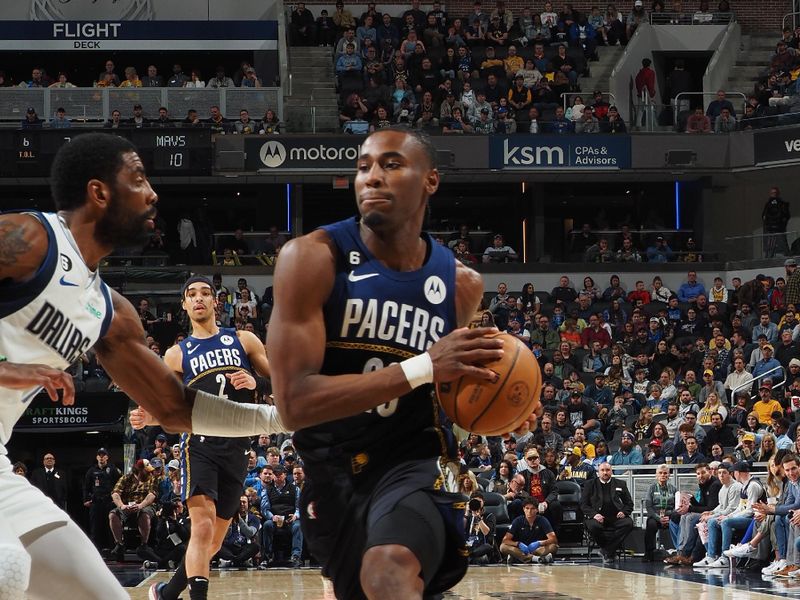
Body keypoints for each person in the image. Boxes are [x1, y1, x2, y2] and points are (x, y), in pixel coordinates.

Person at [0, 133, 280, 600]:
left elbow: (175, 410)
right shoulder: (29, 238)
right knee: (9, 570)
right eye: (139, 178)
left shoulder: (110, 311)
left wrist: (283, 417)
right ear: (100, 192)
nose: (153, 193)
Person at [262, 128, 527, 600]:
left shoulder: (461, 284)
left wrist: (496, 398)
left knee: (389, 571)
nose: (372, 178)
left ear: (430, 181)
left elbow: (446, 388)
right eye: (363, 167)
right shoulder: (312, 258)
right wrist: (424, 366)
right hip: (332, 475)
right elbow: (295, 404)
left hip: (411, 465)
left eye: (390, 164)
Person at [143, 275, 273, 600]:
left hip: (238, 445)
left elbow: (284, 378)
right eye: (191, 294)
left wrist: (256, 382)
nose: (198, 298)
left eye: (205, 293)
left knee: (213, 542)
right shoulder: (176, 353)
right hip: (198, 442)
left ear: (215, 301)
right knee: (201, 527)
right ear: (185, 305)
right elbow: (164, 402)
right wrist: (147, 414)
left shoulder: (244, 340)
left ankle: (167, 593)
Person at [581, 462, 635, 565]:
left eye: (607, 470)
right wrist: (594, 515)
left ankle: (606, 551)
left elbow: (629, 504)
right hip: (597, 517)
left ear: (611, 471)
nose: (605, 472)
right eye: (602, 470)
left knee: (628, 523)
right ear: (598, 472)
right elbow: (583, 505)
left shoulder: (620, 484)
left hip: (615, 517)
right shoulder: (590, 484)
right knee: (592, 526)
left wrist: (624, 512)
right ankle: (610, 552)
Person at [82, 447, 122, 551]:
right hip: (96, 502)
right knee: (95, 527)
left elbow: (120, 485)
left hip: (109, 502)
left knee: (110, 526)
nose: (101, 457)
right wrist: (86, 499)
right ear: (96, 457)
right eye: (99, 455)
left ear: (107, 457)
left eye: (103, 455)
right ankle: (96, 550)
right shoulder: (92, 471)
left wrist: (118, 500)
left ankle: (113, 549)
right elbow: (86, 486)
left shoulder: (113, 469)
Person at [499, 498, 558, 564]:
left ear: (537, 510)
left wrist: (539, 543)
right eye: (527, 508)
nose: (529, 511)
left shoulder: (543, 520)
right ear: (523, 509)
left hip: (537, 550)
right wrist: (518, 544)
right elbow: (505, 540)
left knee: (553, 546)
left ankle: (519, 558)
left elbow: (554, 539)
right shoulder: (517, 521)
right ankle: (536, 558)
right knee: (503, 547)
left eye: (532, 509)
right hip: (521, 550)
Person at [642, 464, 676, 562]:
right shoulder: (651, 488)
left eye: (665, 473)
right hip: (655, 515)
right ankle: (648, 553)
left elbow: (676, 506)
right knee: (651, 524)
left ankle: (680, 552)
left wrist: (668, 516)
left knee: (679, 522)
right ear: (656, 475)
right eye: (660, 473)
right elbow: (648, 506)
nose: (663, 475)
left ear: (669, 475)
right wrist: (658, 518)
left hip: (669, 515)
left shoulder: (673, 489)